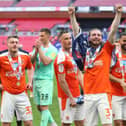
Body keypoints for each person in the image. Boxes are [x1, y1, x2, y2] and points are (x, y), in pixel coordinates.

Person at [68, 4, 122, 126]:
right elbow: (76, 33)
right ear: (89, 37)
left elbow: (113, 31)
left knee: (107, 124)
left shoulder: (106, 50)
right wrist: (72, 16)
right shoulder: (84, 52)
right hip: (88, 95)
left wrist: (118, 14)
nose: (96, 37)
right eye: (94, 35)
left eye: (98, 35)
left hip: (104, 94)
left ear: (102, 37)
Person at [0, 35, 33, 126]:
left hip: (22, 93)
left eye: (16, 42)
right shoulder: (1, 57)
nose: (14, 44)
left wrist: (30, 81)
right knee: (6, 123)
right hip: (8, 94)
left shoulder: (25, 56)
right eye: (12, 42)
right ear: (7, 44)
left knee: (29, 122)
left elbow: (30, 68)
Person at [54, 30, 84, 126]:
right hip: (66, 97)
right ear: (60, 41)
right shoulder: (61, 58)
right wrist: (71, 97)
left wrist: (85, 91)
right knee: (66, 123)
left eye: (70, 38)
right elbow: (61, 80)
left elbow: (79, 74)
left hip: (78, 95)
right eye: (66, 39)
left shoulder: (74, 55)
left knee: (80, 122)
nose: (69, 41)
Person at [31, 28, 58, 126]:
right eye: (39, 35)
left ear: (48, 36)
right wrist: (36, 51)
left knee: (44, 106)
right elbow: (31, 61)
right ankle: (53, 124)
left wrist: (40, 49)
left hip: (45, 80)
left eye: (42, 36)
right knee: (39, 107)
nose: (40, 38)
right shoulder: (38, 48)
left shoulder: (53, 49)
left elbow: (46, 62)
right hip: (36, 79)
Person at [110, 32, 126, 126]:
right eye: (124, 41)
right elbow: (107, 74)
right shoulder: (114, 56)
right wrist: (120, 81)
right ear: (119, 41)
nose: (125, 43)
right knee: (117, 122)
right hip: (115, 94)